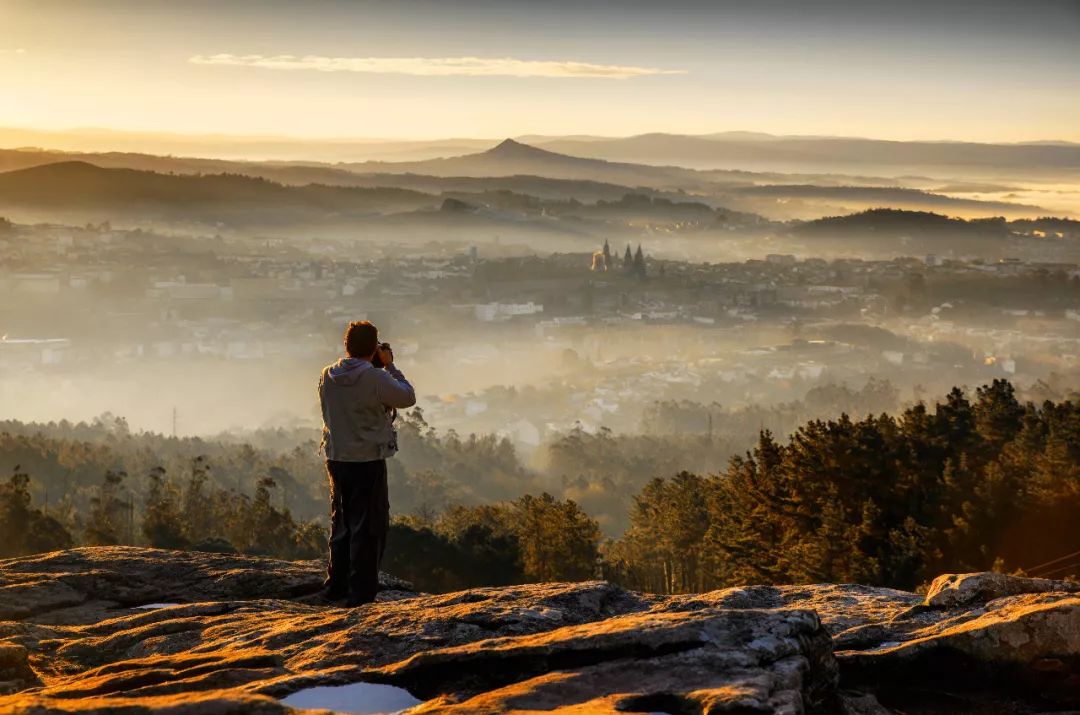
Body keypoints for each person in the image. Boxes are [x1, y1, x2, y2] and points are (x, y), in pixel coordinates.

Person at [318, 320, 415, 606]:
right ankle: (360, 593)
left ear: (346, 346)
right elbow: (407, 396)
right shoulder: (376, 378)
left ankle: (336, 584)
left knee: (342, 521)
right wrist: (389, 366)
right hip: (368, 459)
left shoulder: (327, 375)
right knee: (368, 526)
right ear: (374, 348)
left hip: (336, 456)